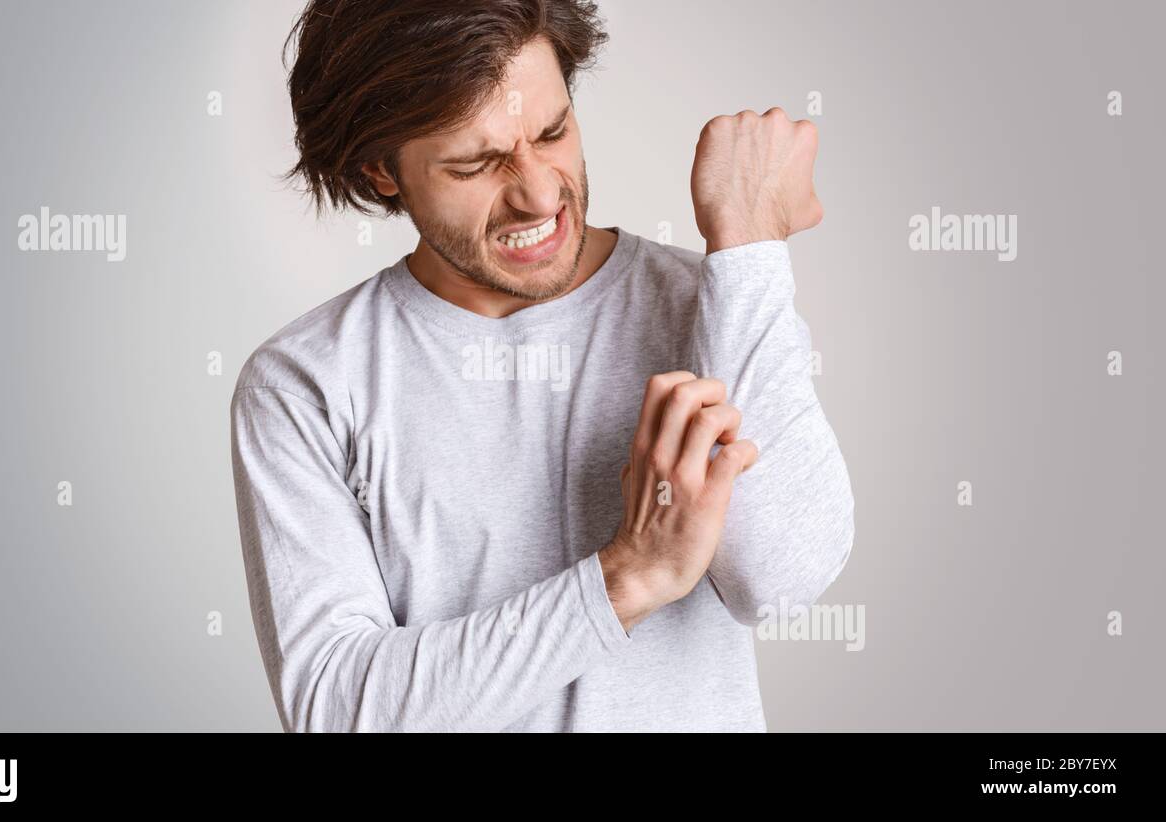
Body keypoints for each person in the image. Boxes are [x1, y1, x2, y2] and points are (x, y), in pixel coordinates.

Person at [230, 0, 854, 732]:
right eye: (475, 163)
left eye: (553, 133)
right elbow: (338, 710)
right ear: (380, 170)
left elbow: (778, 585)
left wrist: (748, 248)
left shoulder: (709, 302)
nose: (539, 193)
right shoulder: (305, 383)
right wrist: (628, 577)